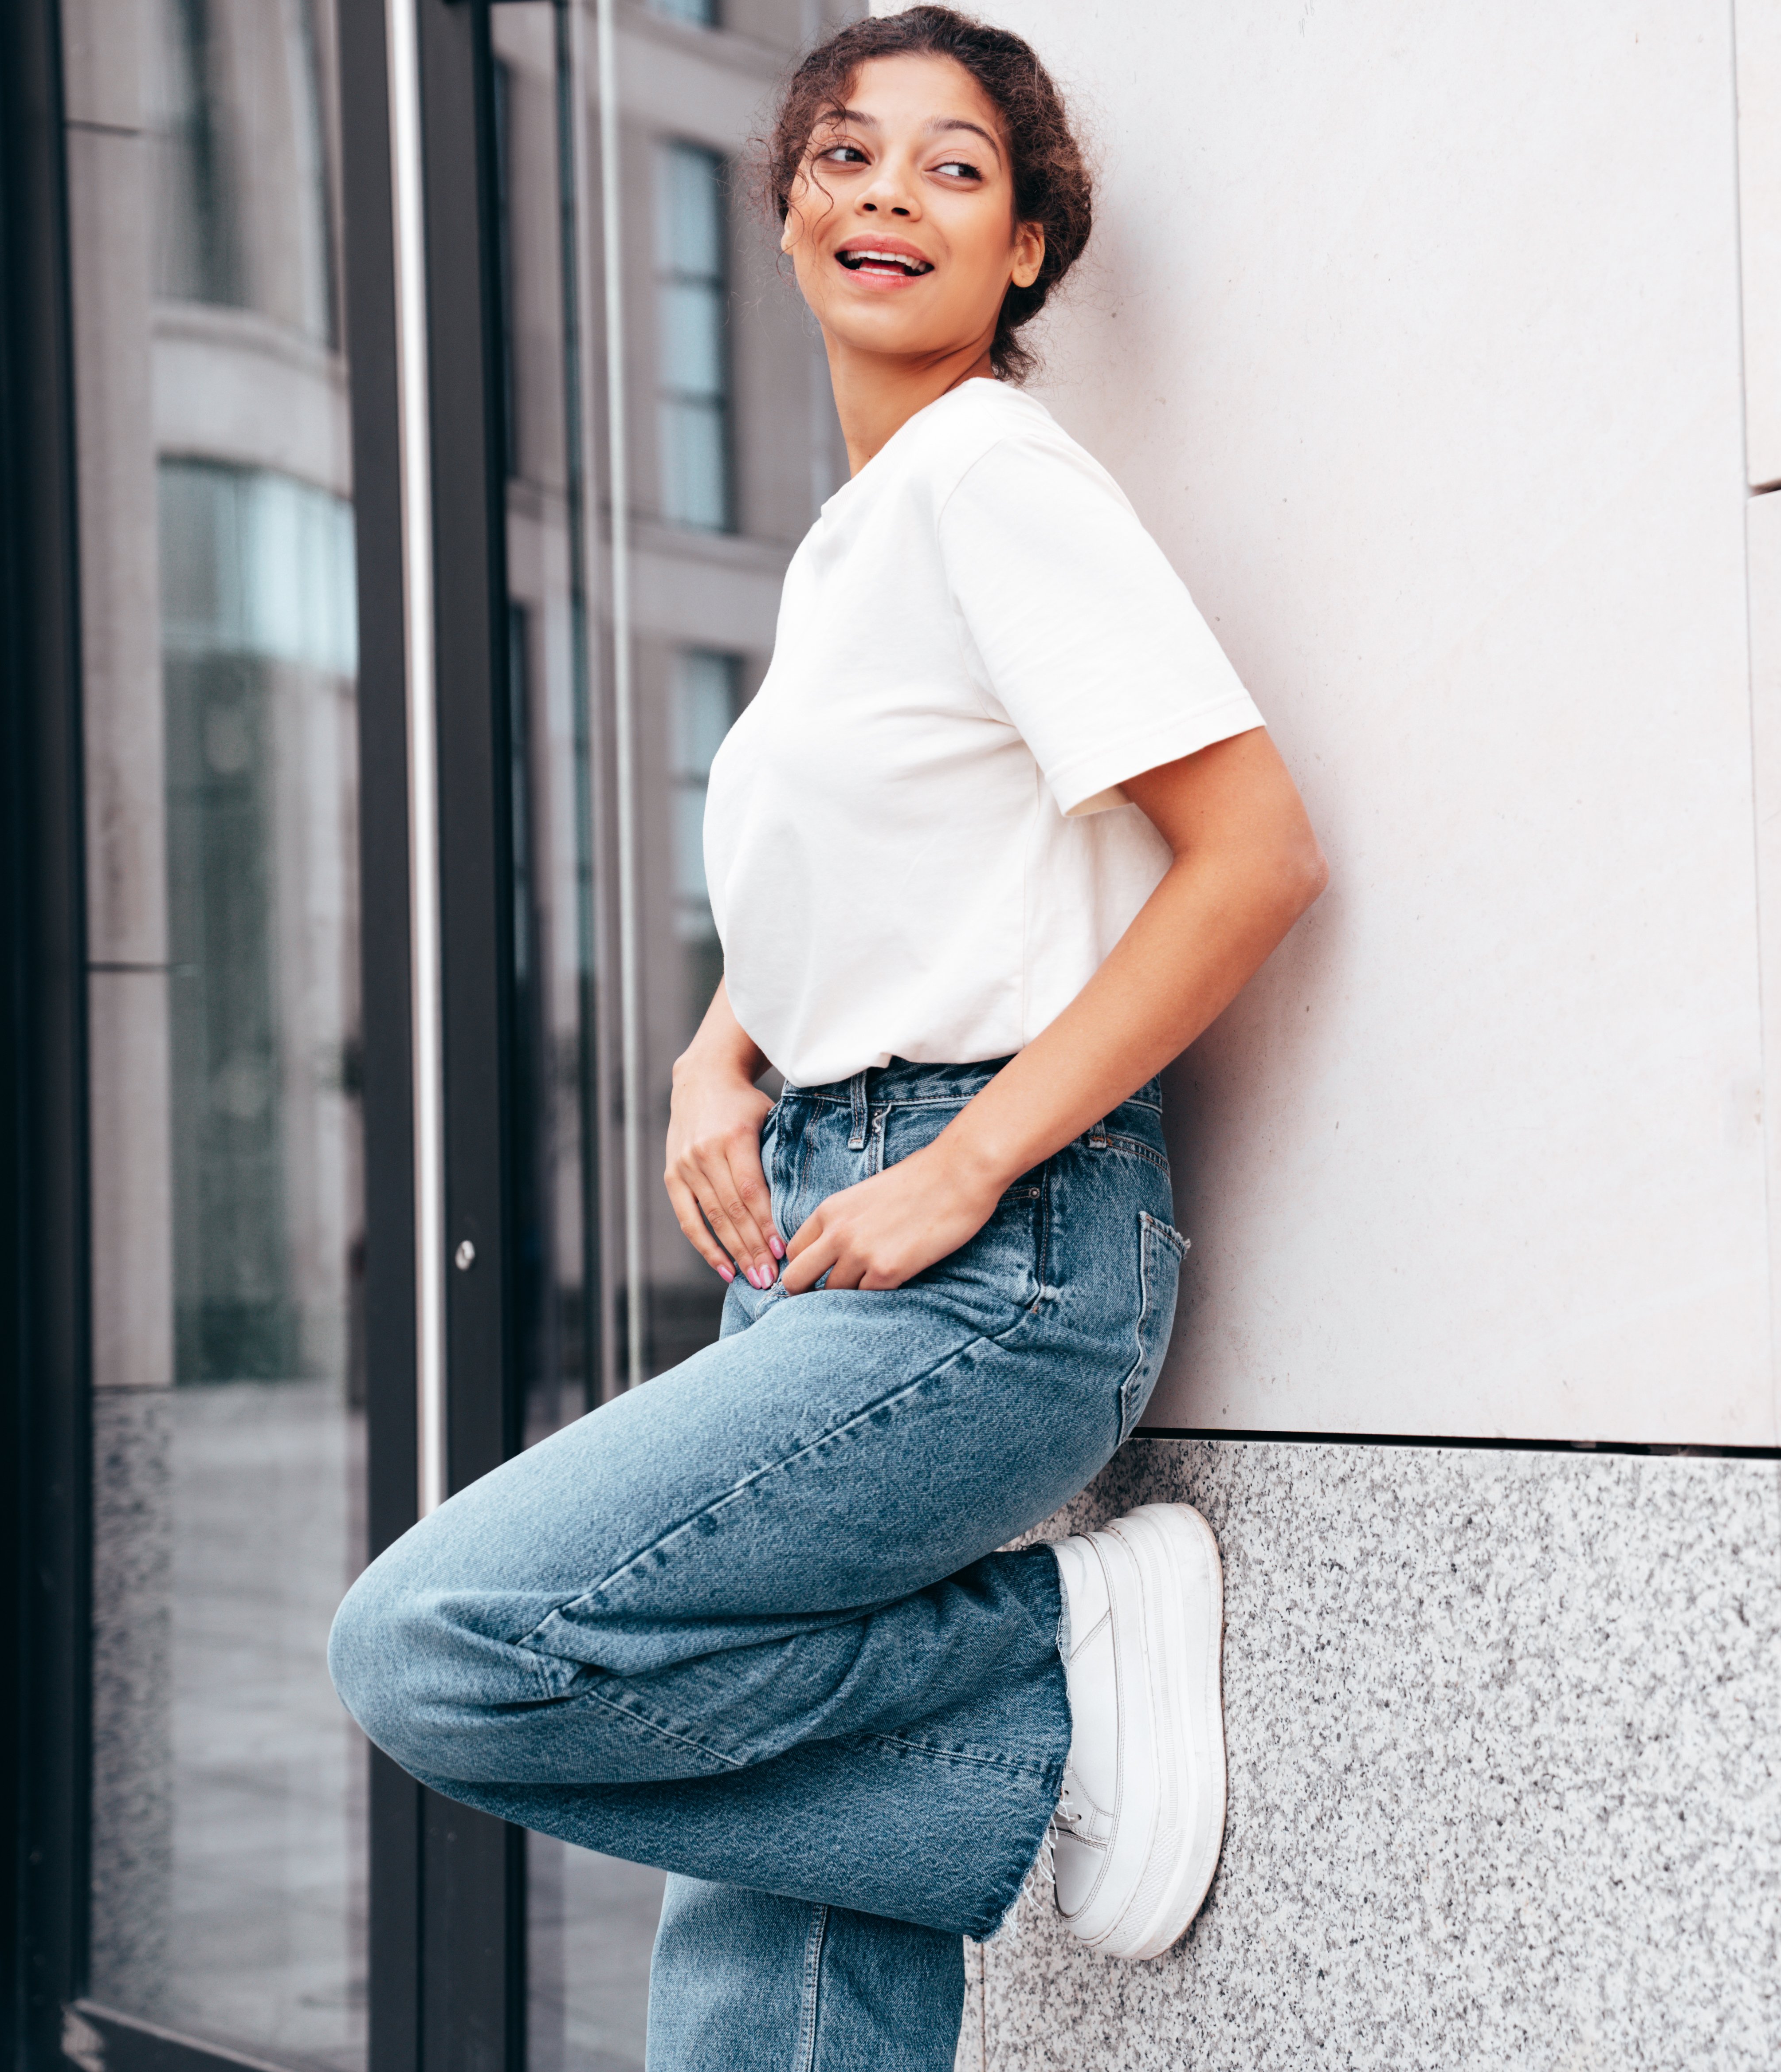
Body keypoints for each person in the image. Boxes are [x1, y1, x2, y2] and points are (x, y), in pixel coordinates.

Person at [326, 10, 1326, 2066]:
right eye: (848, 157)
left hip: (996, 1242)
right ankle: (1017, 1721)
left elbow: (1251, 852)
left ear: (1029, 253)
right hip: (825, 1219)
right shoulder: (853, 545)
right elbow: (886, 863)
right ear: (785, 215)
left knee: (442, 1644)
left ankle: (1061, 1654)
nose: (889, 195)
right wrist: (723, 1051)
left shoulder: (990, 476)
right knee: (771, 1956)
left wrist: (970, 1165)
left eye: (956, 170)